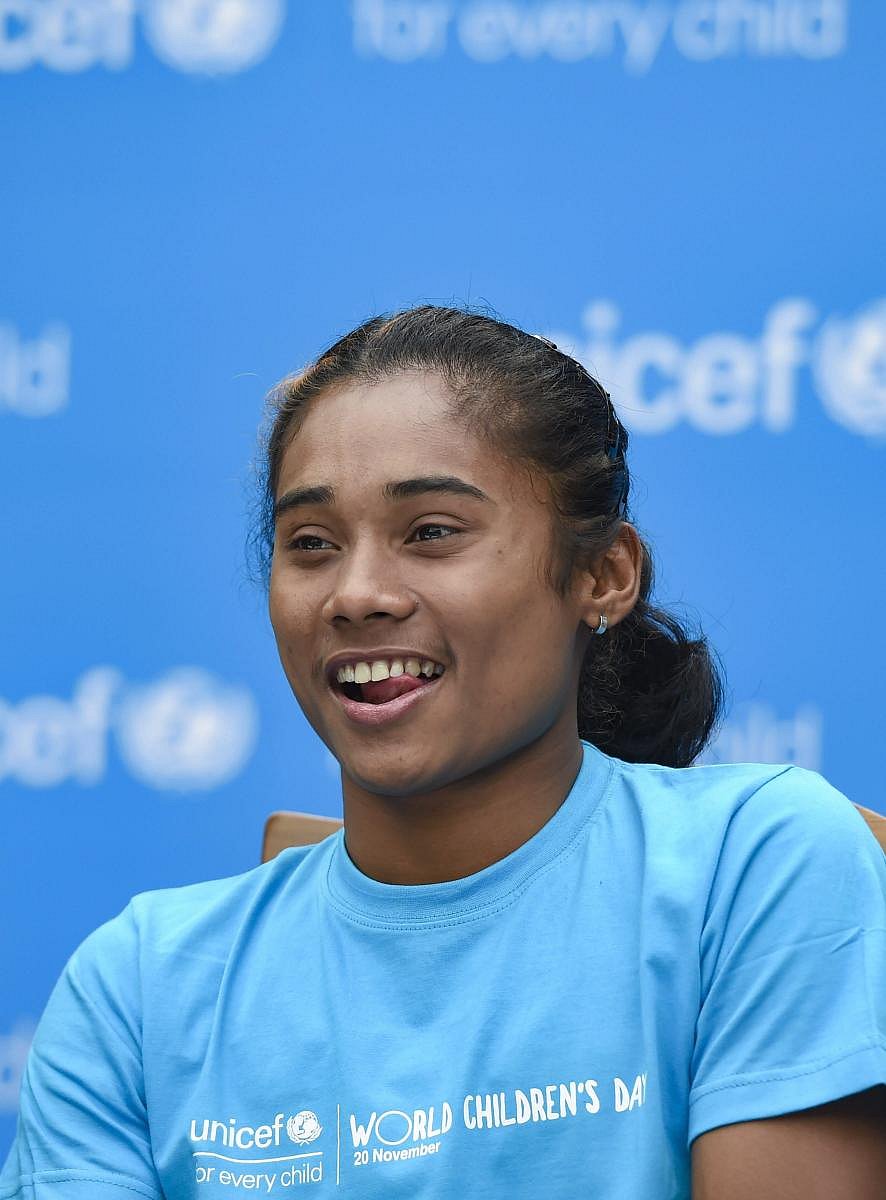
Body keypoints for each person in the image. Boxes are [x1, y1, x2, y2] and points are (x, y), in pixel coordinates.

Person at [2, 305, 884, 1200]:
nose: (357, 595)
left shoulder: (757, 862)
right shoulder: (140, 984)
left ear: (601, 576)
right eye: (310, 544)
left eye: (431, 532)